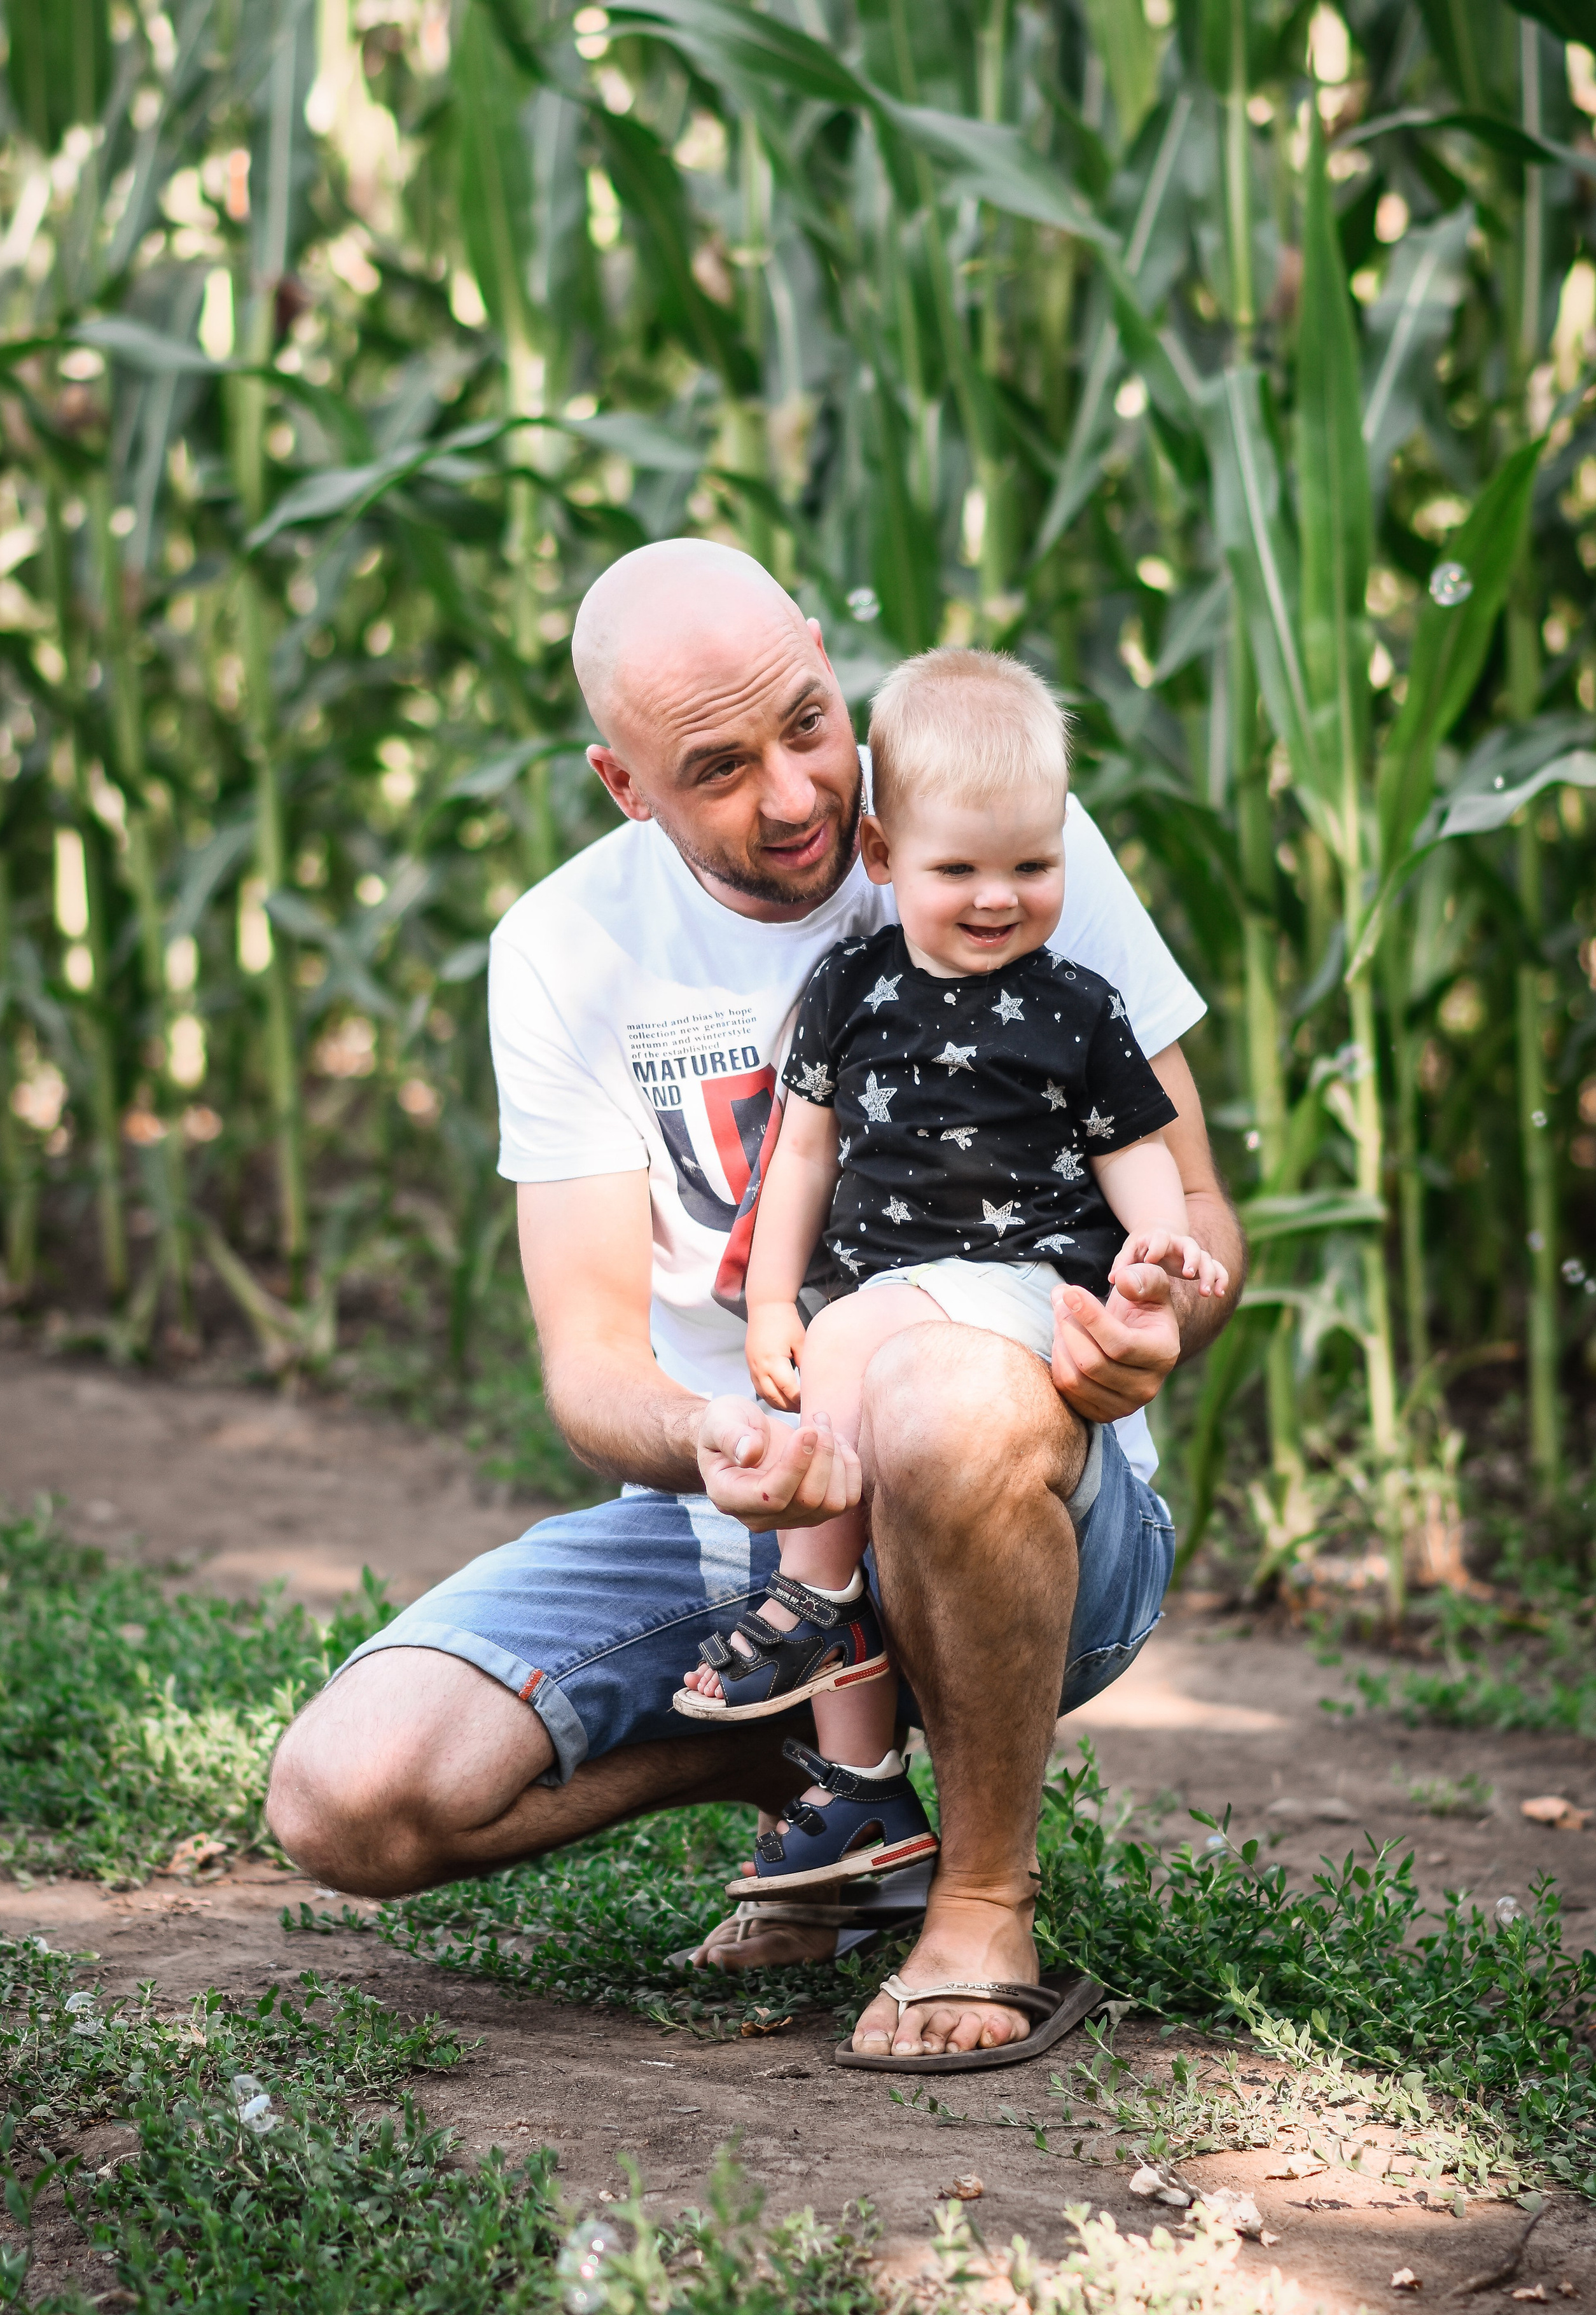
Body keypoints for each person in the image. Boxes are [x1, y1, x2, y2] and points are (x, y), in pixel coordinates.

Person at [265, 538, 1245, 2064]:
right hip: (744, 1521)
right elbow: (591, 1366)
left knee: (927, 1391)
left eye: (806, 722)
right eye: (715, 768)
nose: (792, 794)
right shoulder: (564, 950)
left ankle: (982, 1906)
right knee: (350, 1799)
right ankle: (814, 1775)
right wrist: (714, 1435)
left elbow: (1192, 1216)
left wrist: (1151, 1329)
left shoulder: (998, 846)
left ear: (819, 653)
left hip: (1020, 1486)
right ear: (622, 785)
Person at [670, 648, 1228, 1911]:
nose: (997, 898)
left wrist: (1154, 1252)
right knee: (829, 1432)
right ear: (879, 856)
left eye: (1030, 868)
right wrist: (768, 1305)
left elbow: (1134, 1151)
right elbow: (799, 1154)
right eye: (957, 870)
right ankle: (859, 1795)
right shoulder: (848, 989)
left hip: (1018, 1295)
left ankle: (811, 1600)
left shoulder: (1077, 1008)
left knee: (854, 1385)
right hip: (874, 1312)